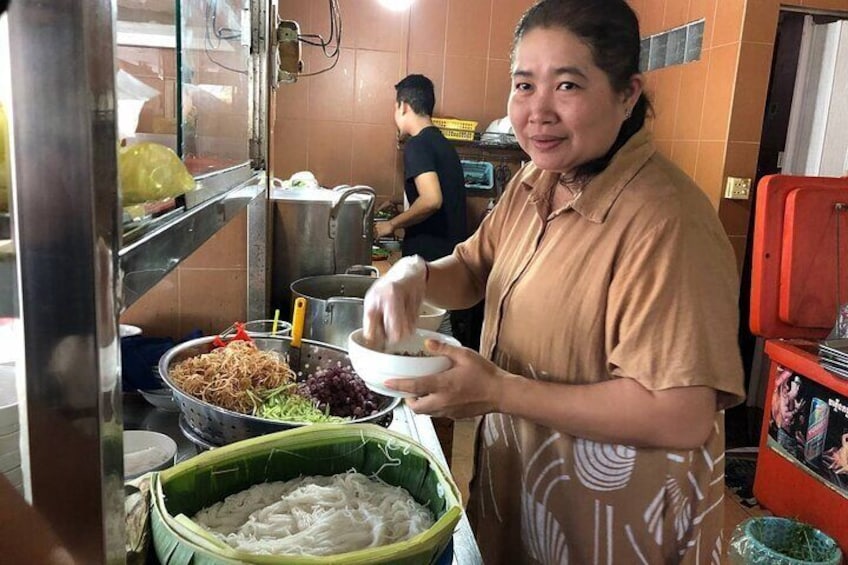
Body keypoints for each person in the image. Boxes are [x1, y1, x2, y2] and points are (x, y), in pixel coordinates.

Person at [362, 1, 745, 563]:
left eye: (567, 84)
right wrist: (412, 274)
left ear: (627, 94)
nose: (537, 111)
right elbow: (473, 269)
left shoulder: (667, 221)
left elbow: (682, 413)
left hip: (614, 528)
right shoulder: (534, 181)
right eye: (523, 85)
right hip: (523, 498)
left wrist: (497, 390)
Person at [376, 74, 468, 337]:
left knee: (431, 332)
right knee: (438, 327)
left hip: (431, 257)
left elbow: (432, 199)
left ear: (403, 106)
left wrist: (391, 225)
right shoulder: (440, 143)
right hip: (446, 257)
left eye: (395, 108)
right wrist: (398, 207)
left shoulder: (417, 145)